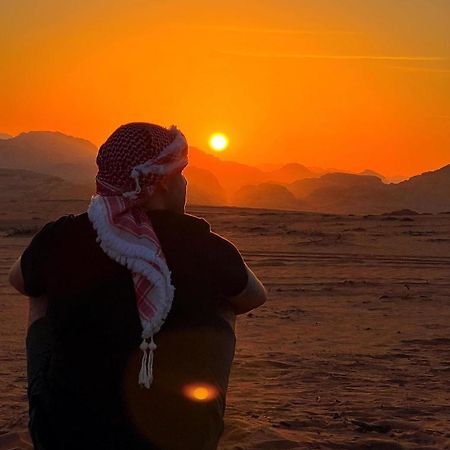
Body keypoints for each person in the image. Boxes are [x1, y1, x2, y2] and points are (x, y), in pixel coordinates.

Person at [8, 122, 267, 450]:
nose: (186, 182)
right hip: (179, 440)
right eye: (181, 173)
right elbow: (254, 296)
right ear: (160, 184)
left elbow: (18, 279)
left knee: (39, 290)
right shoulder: (207, 247)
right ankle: (195, 416)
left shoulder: (62, 236)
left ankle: (57, 404)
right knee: (225, 303)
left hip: (62, 435)